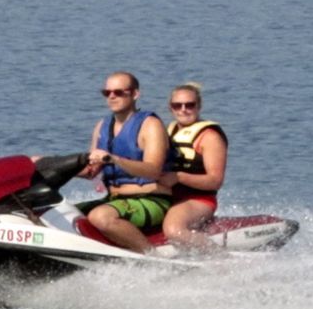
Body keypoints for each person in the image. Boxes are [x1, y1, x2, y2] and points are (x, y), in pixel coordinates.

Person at [80, 71, 170, 254]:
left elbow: (153, 171)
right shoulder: (102, 126)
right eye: (107, 93)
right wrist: (44, 166)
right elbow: (91, 171)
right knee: (58, 214)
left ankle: (152, 257)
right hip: (114, 199)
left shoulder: (150, 125)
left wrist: (114, 159)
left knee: (100, 216)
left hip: (151, 199)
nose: (112, 96)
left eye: (119, 92)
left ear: (135, 94)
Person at [160, 82, 228, 250]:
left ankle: (220, 257)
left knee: (173, 230)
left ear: (199, 106)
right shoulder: (167, 132)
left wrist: (179, 177)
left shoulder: (210, 137)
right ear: (170, 108)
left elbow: (215, 181)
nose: (183, 109)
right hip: (166, 195)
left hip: (198, 200)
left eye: (189, 105)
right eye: (177, 105)